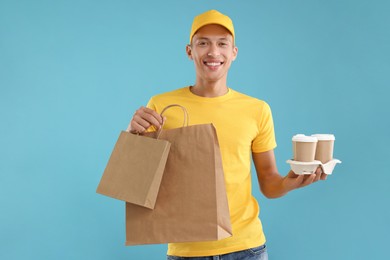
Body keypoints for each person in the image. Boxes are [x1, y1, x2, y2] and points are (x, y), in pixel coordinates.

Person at [127, 9, 326, 260]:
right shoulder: (162, 105)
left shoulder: (256, 110)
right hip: (186, 252)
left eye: (222, 43)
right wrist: (132, 135)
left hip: (247, 249)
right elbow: (136, 185)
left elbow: (269, 183)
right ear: (190, 51)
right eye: (203, 43)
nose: (213, 52)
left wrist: (292, 181)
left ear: (234, 53)